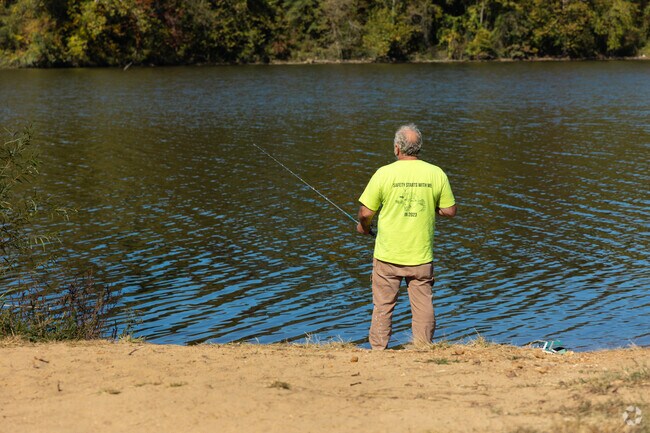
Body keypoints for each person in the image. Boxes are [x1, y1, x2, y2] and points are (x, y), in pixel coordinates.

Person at [357, 124, 457, 350]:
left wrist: (364, 227)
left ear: (396, 148)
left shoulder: (384, 173)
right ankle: (423, 349)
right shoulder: (436, 173)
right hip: (421, 255)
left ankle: (378, 349)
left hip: (387, 255)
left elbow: (365, 212)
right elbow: (450, 210)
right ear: (418, 148)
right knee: (423, 305)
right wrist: (431, 207)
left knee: (383, 305)